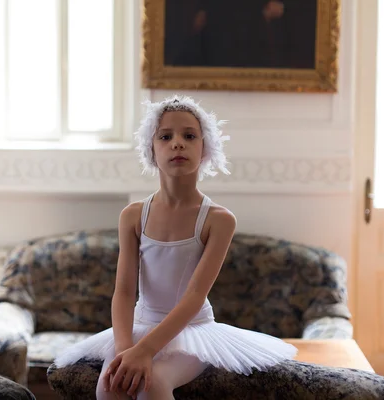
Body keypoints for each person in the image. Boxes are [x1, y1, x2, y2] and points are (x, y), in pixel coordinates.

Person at [54, 95, 297, 399]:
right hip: (142, 324)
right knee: (110, 385)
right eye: (166, 136)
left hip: (192, 331)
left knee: (152, 383)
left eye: (189, 136)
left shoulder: (219, 220)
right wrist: (125, 349)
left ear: (204, 148)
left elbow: (194, 297)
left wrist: (146, 351)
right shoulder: (132, 216)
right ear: (151, 150)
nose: (178, 143)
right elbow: (125, 291)